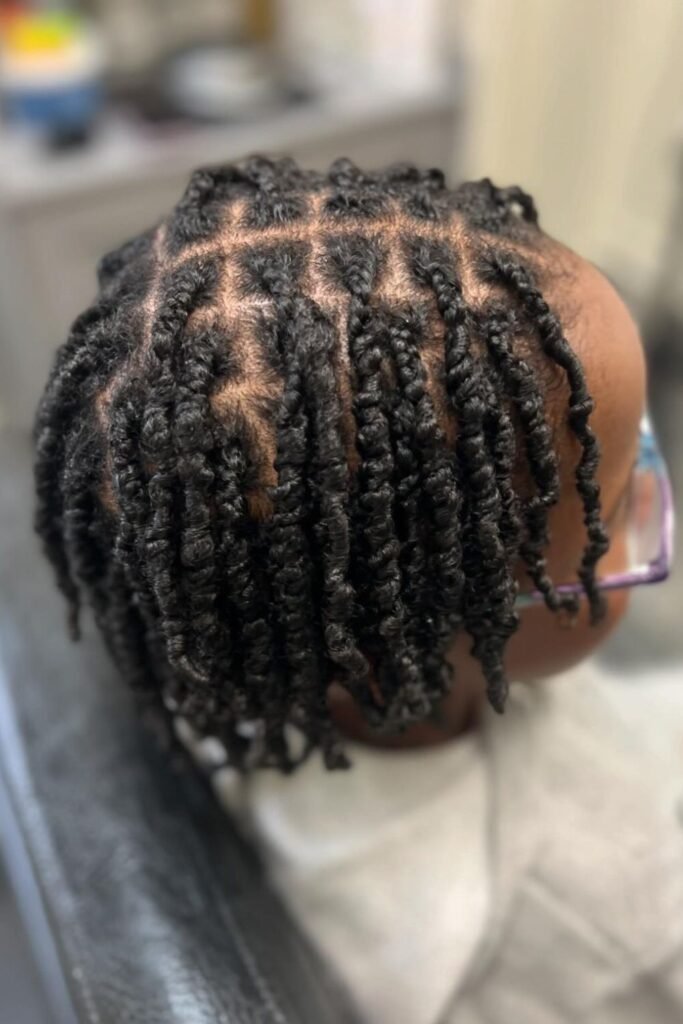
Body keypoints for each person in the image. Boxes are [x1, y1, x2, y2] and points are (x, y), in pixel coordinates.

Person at [34, 157, 681, 1023]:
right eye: (613, 507)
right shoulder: (613, 923)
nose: (648, 498)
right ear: (404, 640)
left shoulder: (239, 675)